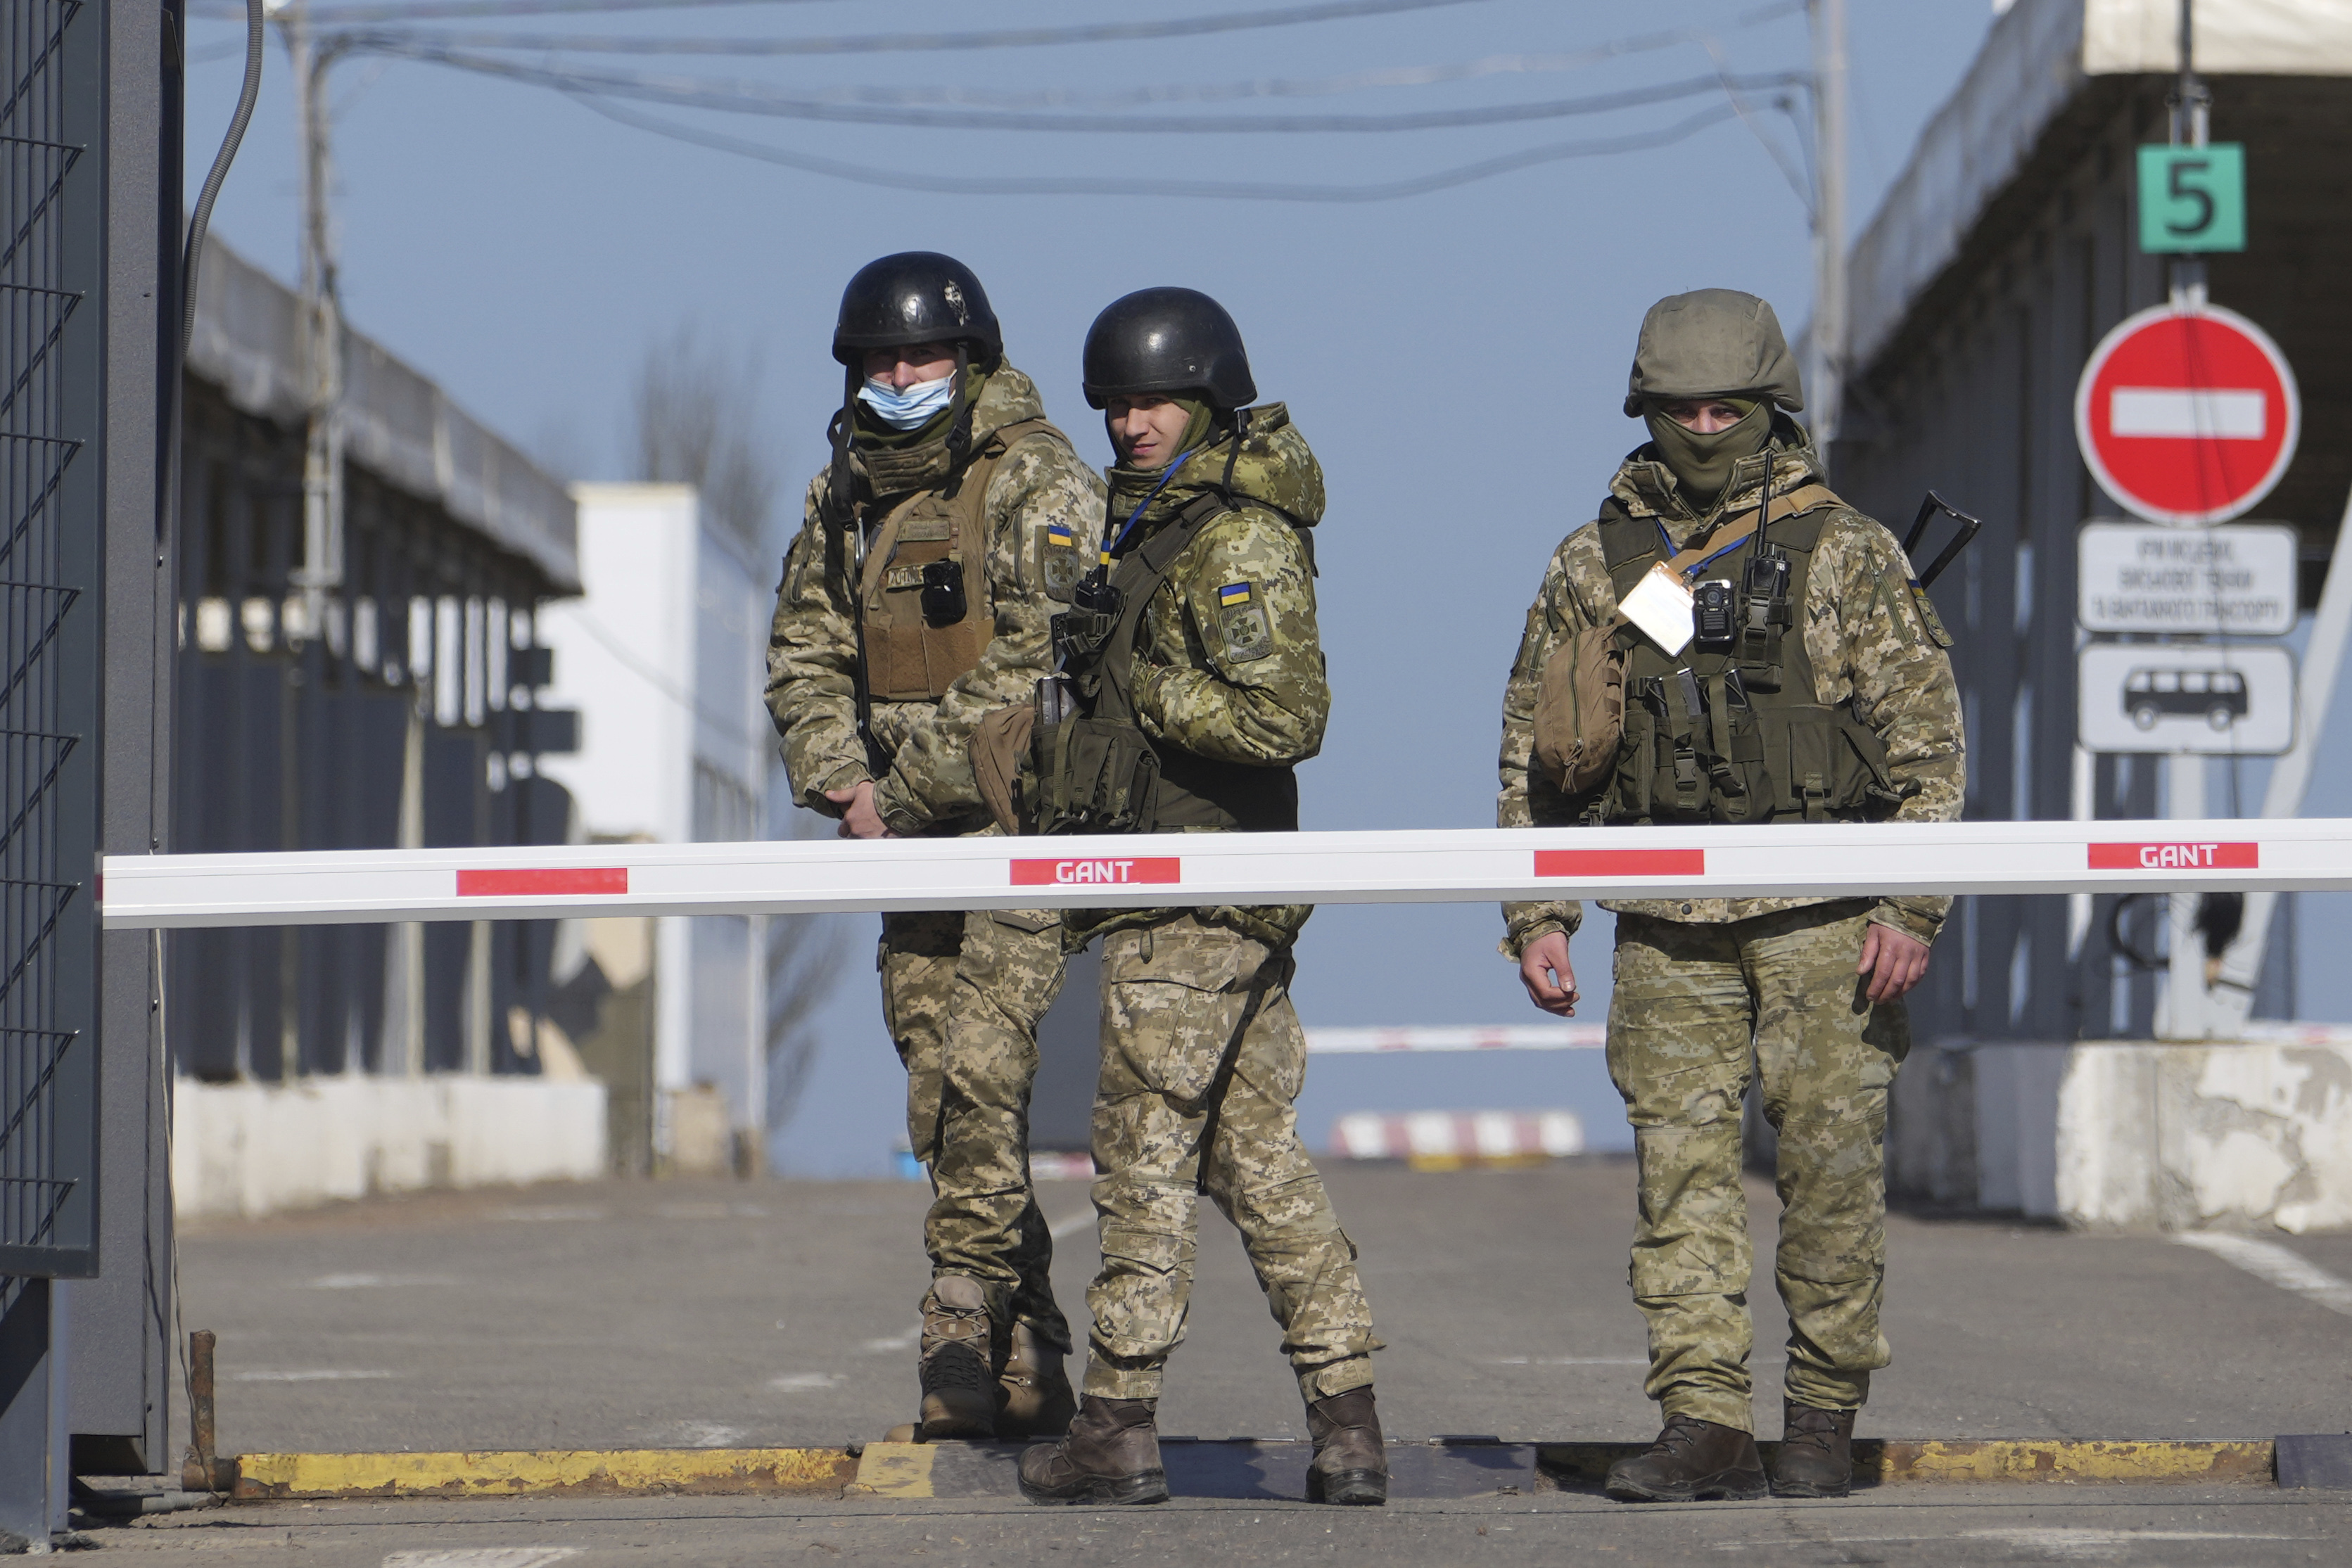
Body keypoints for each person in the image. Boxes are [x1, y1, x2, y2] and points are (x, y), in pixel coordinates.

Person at [1494, 289, 1964, 1502]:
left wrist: (1909, 907)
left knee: (1830, 1170)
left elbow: (1926, 741)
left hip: (1824, 918)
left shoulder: (1847, 550)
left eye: (1727, 410)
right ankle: (1701, 1417)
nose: (1704, 430)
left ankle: (1819, 1415)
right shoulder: (1594, 563)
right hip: (1664, 923)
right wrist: (1537, 912)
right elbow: (1538, 748)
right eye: (1682, 410)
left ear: (1770, 408)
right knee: (1681, 1178)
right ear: (1645, 411)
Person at [1010, 288, 1385, 1508]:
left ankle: (1117, 1423)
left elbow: (1287, 716)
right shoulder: (1150, 525)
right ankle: (1349, 1422)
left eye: (1156, 401)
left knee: (1142, 1158)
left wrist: (1145, 696)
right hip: (1182, 892)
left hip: (1195, 896)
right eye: (1116, 404)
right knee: (1257, 1161)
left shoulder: (1233, 538)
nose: (1132, 422)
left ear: (1210, 398)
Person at [765, 251, 1105, 1443]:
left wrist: (905, 788)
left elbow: (1046, 656)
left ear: (970, 359)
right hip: (906, 842)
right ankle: (1034, 1346)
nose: (902, 376)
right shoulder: (844, 495)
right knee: (938, 1097)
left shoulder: (1038, 478)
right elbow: (805, 649)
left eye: (924, 356)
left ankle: (958, 1325)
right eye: (882, 359)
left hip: (1018, 834)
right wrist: (843, 778)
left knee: (983, 1075)